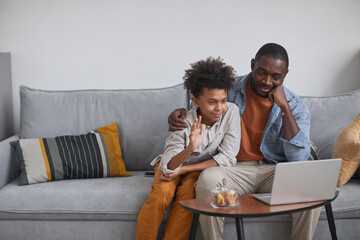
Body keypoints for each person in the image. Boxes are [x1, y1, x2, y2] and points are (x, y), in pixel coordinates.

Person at [168, 43, 321, 240]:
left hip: (273, 170)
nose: (266, 81)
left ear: (285, 74)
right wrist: (180, 112)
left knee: (310, 187)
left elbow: (298, 158)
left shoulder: (295, 105)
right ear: (252, 65)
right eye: (261, 72)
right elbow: (201, 105)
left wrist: (285, 109)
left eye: (276, 77)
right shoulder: (229, 90)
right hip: (232, 169)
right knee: (207, 180)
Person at [136, 57, 241, 240]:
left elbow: (228, 157)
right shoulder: (183, 122)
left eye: (223, 100)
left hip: (197, 169)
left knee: (187, 198)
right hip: (175, 163)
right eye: (212, 102)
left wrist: (185, 169)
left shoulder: (231, 112)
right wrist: (190, 147)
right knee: (162, 194)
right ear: (196, 101)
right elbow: (168, 167)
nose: (219, 108)